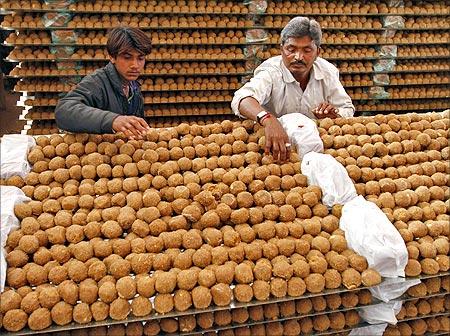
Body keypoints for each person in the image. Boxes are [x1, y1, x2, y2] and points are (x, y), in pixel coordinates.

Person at [231, 16, 354, 162]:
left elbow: (347, 109)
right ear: (281, 49)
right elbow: (242, 99)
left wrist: (334, 116)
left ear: (318, 52)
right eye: (291, 49)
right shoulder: (271, 72)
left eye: (307, 50)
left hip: (317, 149)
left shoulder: (327, 72)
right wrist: (268, 120)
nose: (298, 57)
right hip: (276, 151)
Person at [55, 27, 152, 139]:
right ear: (112, 57)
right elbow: (64, 111)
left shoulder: (134, 88)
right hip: (98, 154)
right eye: (127, 57)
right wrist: (112, 120)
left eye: (140, 58)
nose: (135, 65)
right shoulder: (97, 83)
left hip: (123, 153)